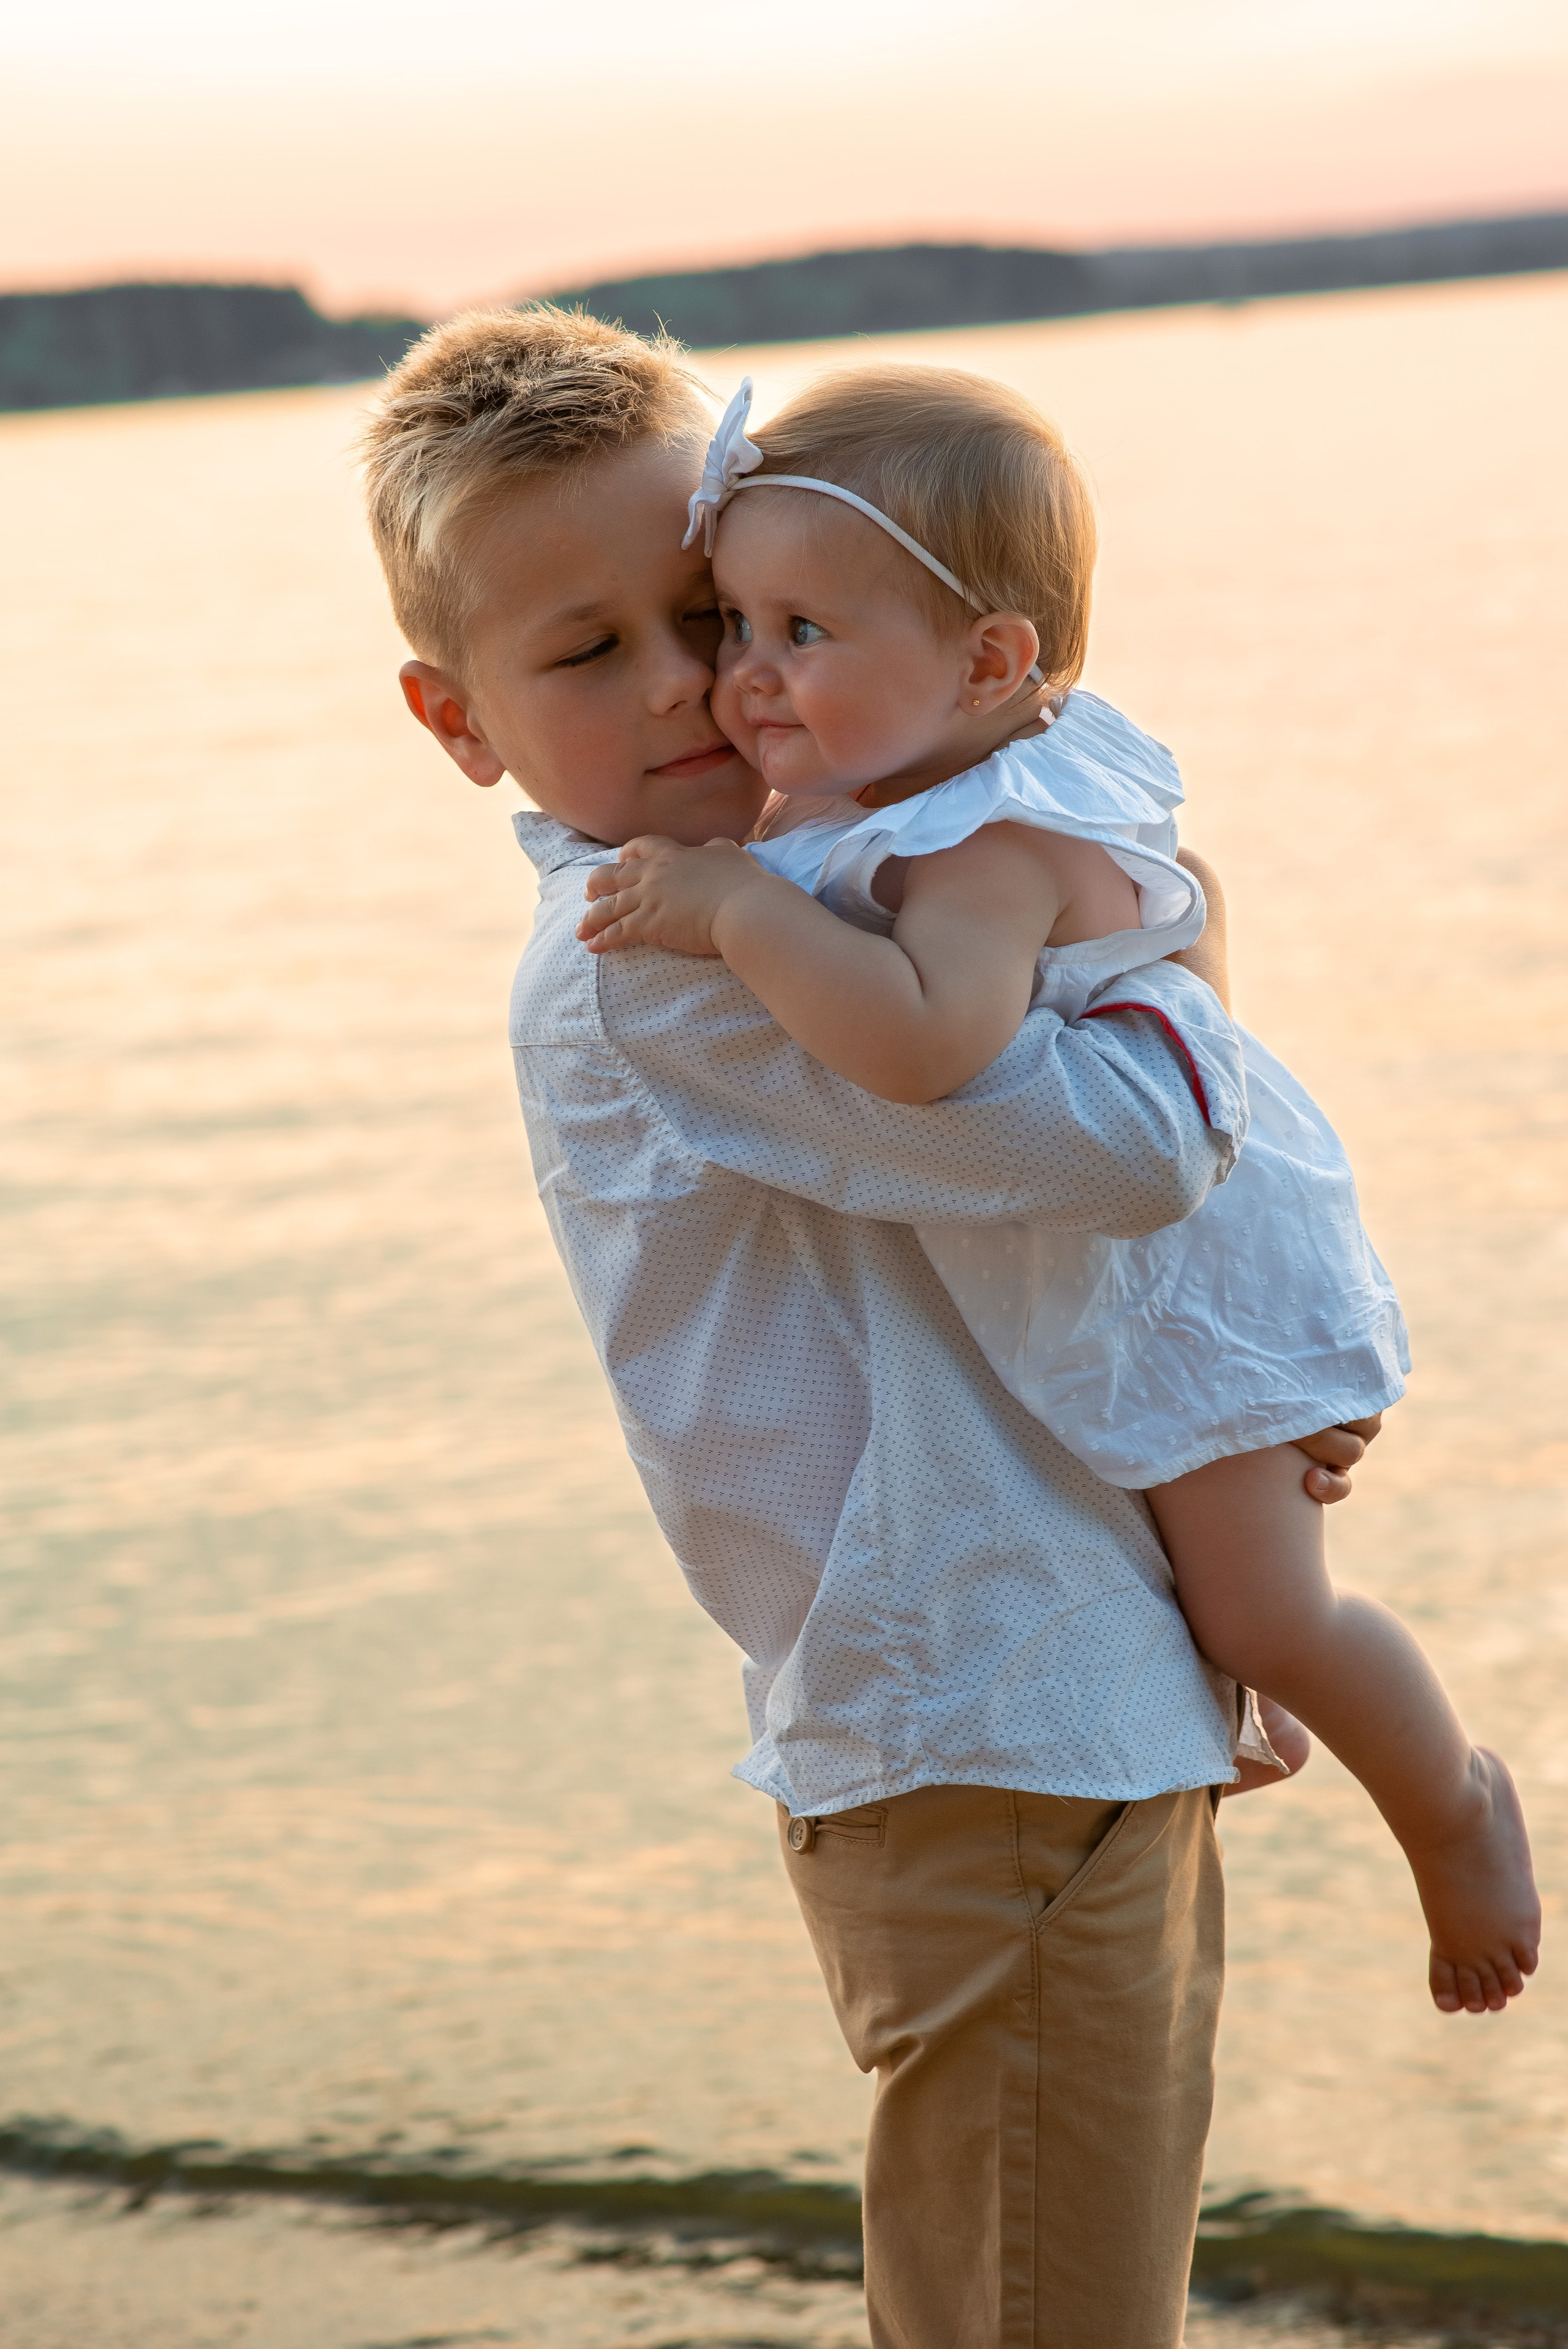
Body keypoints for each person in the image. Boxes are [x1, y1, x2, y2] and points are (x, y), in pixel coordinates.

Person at [361, 305, 1385, 2349]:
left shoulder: (808, 905)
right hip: (992, 1707)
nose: (697, 689)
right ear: (457, 718)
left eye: (714, 613)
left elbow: (998, 1239)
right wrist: (1165, 922)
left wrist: (1222, 1428)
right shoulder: (673, 962)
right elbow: (1126, 1152)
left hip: (1043, 1695)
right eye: (586, 655)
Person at [577, 365, 1541, 2025]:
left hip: (1182, 1261)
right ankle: (1234, 1704)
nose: (743, 677)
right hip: (1134, 1239)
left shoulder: (986, 846)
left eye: (801, 630)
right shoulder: (943, 770)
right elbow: (1192, 906)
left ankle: (1453, 1802)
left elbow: (932, 1044)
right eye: (734, 621)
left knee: (1266, 1599)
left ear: (993, 658)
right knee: (1167, 1544)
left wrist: (739, 912)